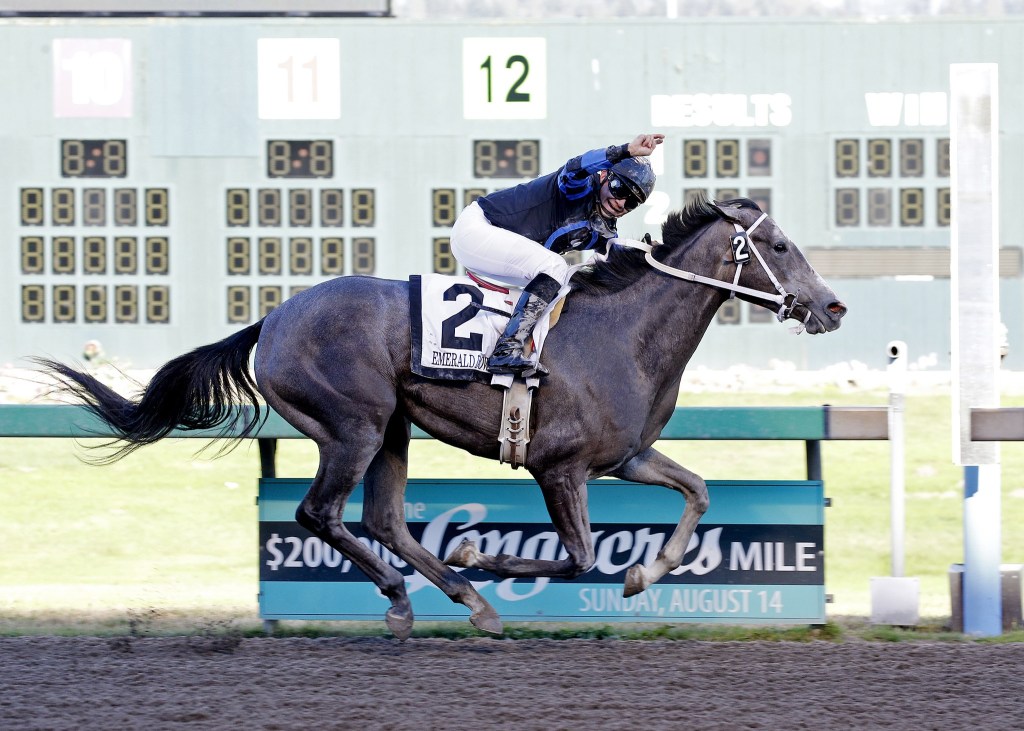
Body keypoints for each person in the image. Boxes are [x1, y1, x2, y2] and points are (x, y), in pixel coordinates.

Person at [451, 133, 664, 375]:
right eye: (619, 188)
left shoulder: (604, 230)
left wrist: (650, 255)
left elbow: (615, 261)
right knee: (555, 266)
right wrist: (625, 151)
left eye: (631, 202)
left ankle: (528, 351)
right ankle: (507, 349)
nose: (620, 203)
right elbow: (577, 166)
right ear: (604, 175)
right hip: (477, 228)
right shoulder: (576, 187)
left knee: (565, 285)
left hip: (490, 249)